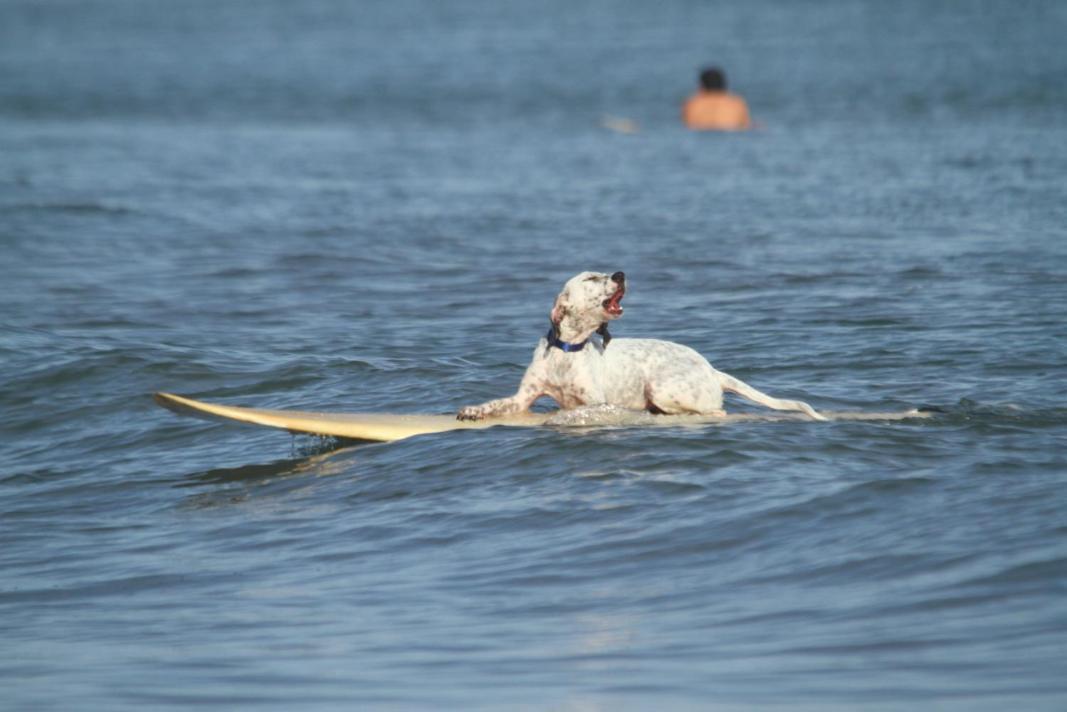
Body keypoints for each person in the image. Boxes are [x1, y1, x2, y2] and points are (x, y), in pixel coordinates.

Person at [682, 67, 752, 131]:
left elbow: (687, 125)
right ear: (724, 85)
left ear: (701, 86)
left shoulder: (692, 103)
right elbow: (746, 125)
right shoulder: (737, 103)